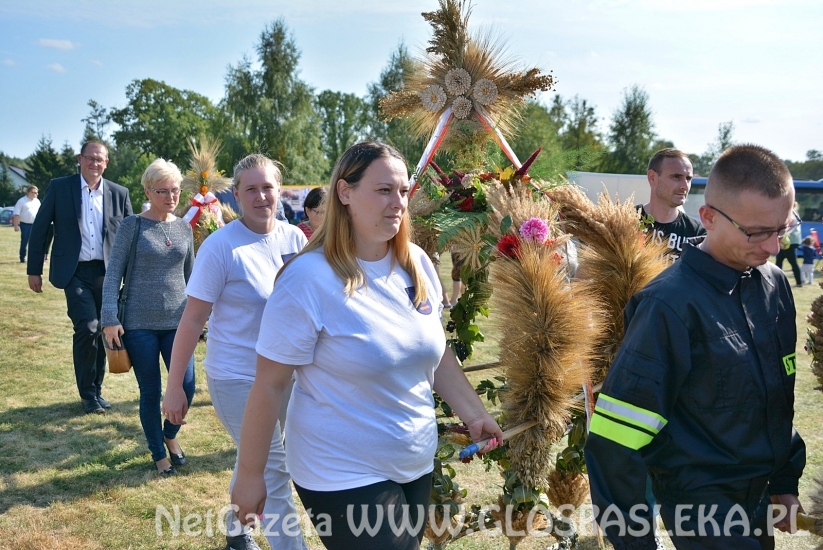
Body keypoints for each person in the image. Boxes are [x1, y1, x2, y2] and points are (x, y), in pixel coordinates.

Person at [231, 141, 503, 550]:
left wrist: (474, 412)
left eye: (403, 191)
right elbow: (269, 384)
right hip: (339, 472)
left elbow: (435, 352)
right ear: (344, 193)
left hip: (414, 464)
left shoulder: (417, 262)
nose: (398, 202)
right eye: (383, 191)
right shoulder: (308, 278)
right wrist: (250, 474)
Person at [585, 144, 806, 549]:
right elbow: (613, 442)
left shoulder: (774, 286)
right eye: (757, 232)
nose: (774, 247)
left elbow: (777, 393)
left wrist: (784, 479)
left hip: (756, 497)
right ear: (708, 217)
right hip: (704, 505)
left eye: (783, 229)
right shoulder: (668, 307)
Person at [162, 154, 307, 550]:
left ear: (279, 190)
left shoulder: (295, 239)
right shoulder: (220, 247)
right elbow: (192, 321)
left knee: (257, 458)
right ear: (238, 195)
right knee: (274, 473)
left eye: (268, 187)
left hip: (286, 377)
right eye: (251, 189)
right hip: (237, 379)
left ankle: (237, 528)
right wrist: (175, 386)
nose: (261, 196)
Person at [101, 159, 194, 475]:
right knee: (151, 391)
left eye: (175, 190)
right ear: (147, 191)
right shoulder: (132, 225)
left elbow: (190, 276)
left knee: (187, 385)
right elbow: (113, 273)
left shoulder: (184, 227)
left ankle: (170, 435)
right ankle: (159, 456)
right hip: (138, 323)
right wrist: (109, 317)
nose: (170, 197)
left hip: (178, 322)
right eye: (162, 191)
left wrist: (200, 318)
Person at [27, 141, 133, 415]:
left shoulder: (119, 194)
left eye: (100, 160)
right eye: (90, 158)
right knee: (87, 327)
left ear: (106, 162)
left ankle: (97, 390)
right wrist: (34, 270)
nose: (95, 164)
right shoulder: (61, 188)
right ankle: (87, 395)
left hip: (107, 274)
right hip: (74, 272)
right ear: (80, 159)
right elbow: (40, 229)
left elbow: (131, 238)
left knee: (102, 329)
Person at [638, 148, 705, 261]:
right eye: (676, 177)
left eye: (688, 178)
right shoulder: (624, 222)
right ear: (652, 178)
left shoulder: (697, 234)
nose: (685, 186)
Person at [775, 202, 802, 287]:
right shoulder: (794, 213)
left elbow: (787, 226)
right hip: (789, 241)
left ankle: (799, 282)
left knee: (791, 262)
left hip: (789, 241)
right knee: (779, 261)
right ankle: (776, 281)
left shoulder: (791, 213)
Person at [12, 185, 40, 263]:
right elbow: (16, 214)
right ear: (28, 192)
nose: (36, 194)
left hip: (35, 225)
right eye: (34, 192)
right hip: (25, 224)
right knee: (25, 241)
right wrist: (16, 226)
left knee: (34, 242)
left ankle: (32, 257)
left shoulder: (37, 201)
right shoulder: (21, 201)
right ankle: (22, 257)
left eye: (37, 193)